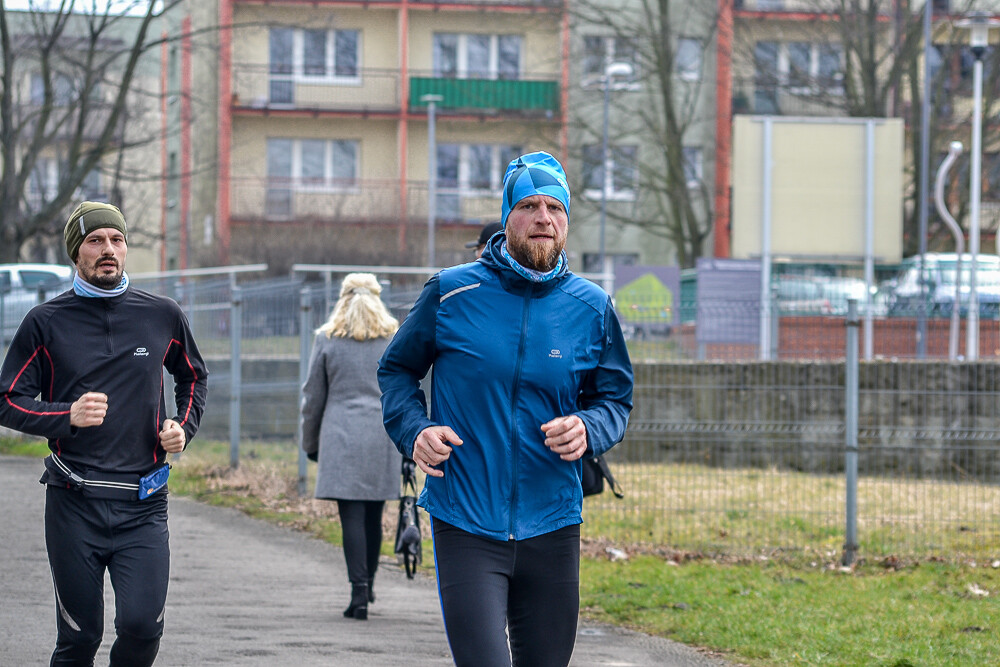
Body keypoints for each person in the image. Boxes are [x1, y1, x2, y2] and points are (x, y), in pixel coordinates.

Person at [378, 151, 633, 666]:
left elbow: (615, 399)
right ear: (508, 215)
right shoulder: (452, 292)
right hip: (466, 517)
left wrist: (589, 427)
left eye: (556, 208)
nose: (545, 218)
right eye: (531, 206)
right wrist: (415, 430)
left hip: (553, 522)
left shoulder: (592, 307)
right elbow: (397, 371)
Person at [0, 201, 208, 666]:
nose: (107, 249)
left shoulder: (162, 315)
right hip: (74, 501)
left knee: (141, 627)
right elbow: (7, 398)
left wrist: (182, 427)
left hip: (144, 503)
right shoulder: (45, 322)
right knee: (80, 638)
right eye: (95, 240)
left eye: (116, 239)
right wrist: (65, 416)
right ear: (77, 252)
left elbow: (193, 376)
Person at [300, 273, 402, 621]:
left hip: (340, 434)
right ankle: (369, 584)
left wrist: (310, 442)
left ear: (342, 299)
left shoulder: (327, 339)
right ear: (378, 297)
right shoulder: (392, 337)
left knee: (351, 517)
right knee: (374, 515)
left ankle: (358, 591)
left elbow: (313, 396)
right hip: (383, 436)